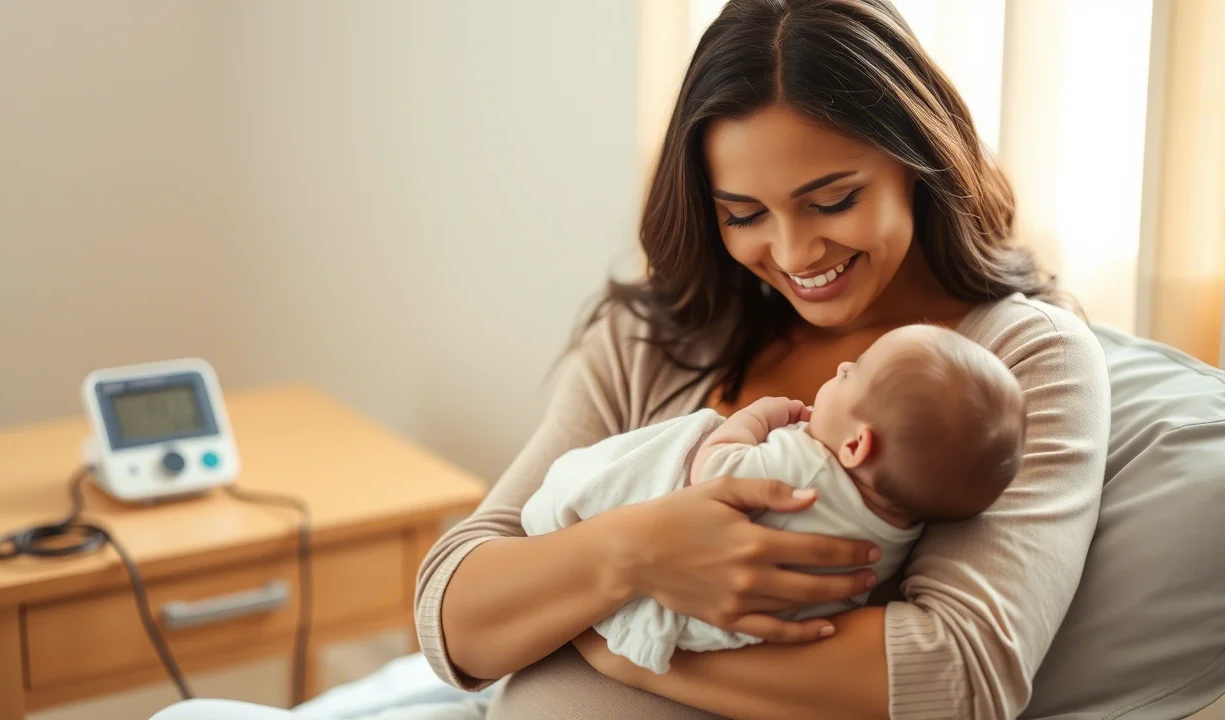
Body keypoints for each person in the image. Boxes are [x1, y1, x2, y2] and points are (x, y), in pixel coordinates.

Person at [152, 1, 1110, 718]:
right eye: (744, 215)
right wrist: (637, 553)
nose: (794, 252)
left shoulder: (1014, 360)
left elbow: (961, 671)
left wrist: (620, 645)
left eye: (831, 198)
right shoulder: (662, 331)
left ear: (917, 157)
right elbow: (454, 612)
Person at [520, 324, 1026, 675]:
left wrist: (750, 423)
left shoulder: (804, 467)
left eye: (856, 373)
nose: (845, 365)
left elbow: (712, 478)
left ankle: (562, 512)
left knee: (687, 440)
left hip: (683, 601)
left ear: (855, 445)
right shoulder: (899, 531)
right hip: (732, 637)